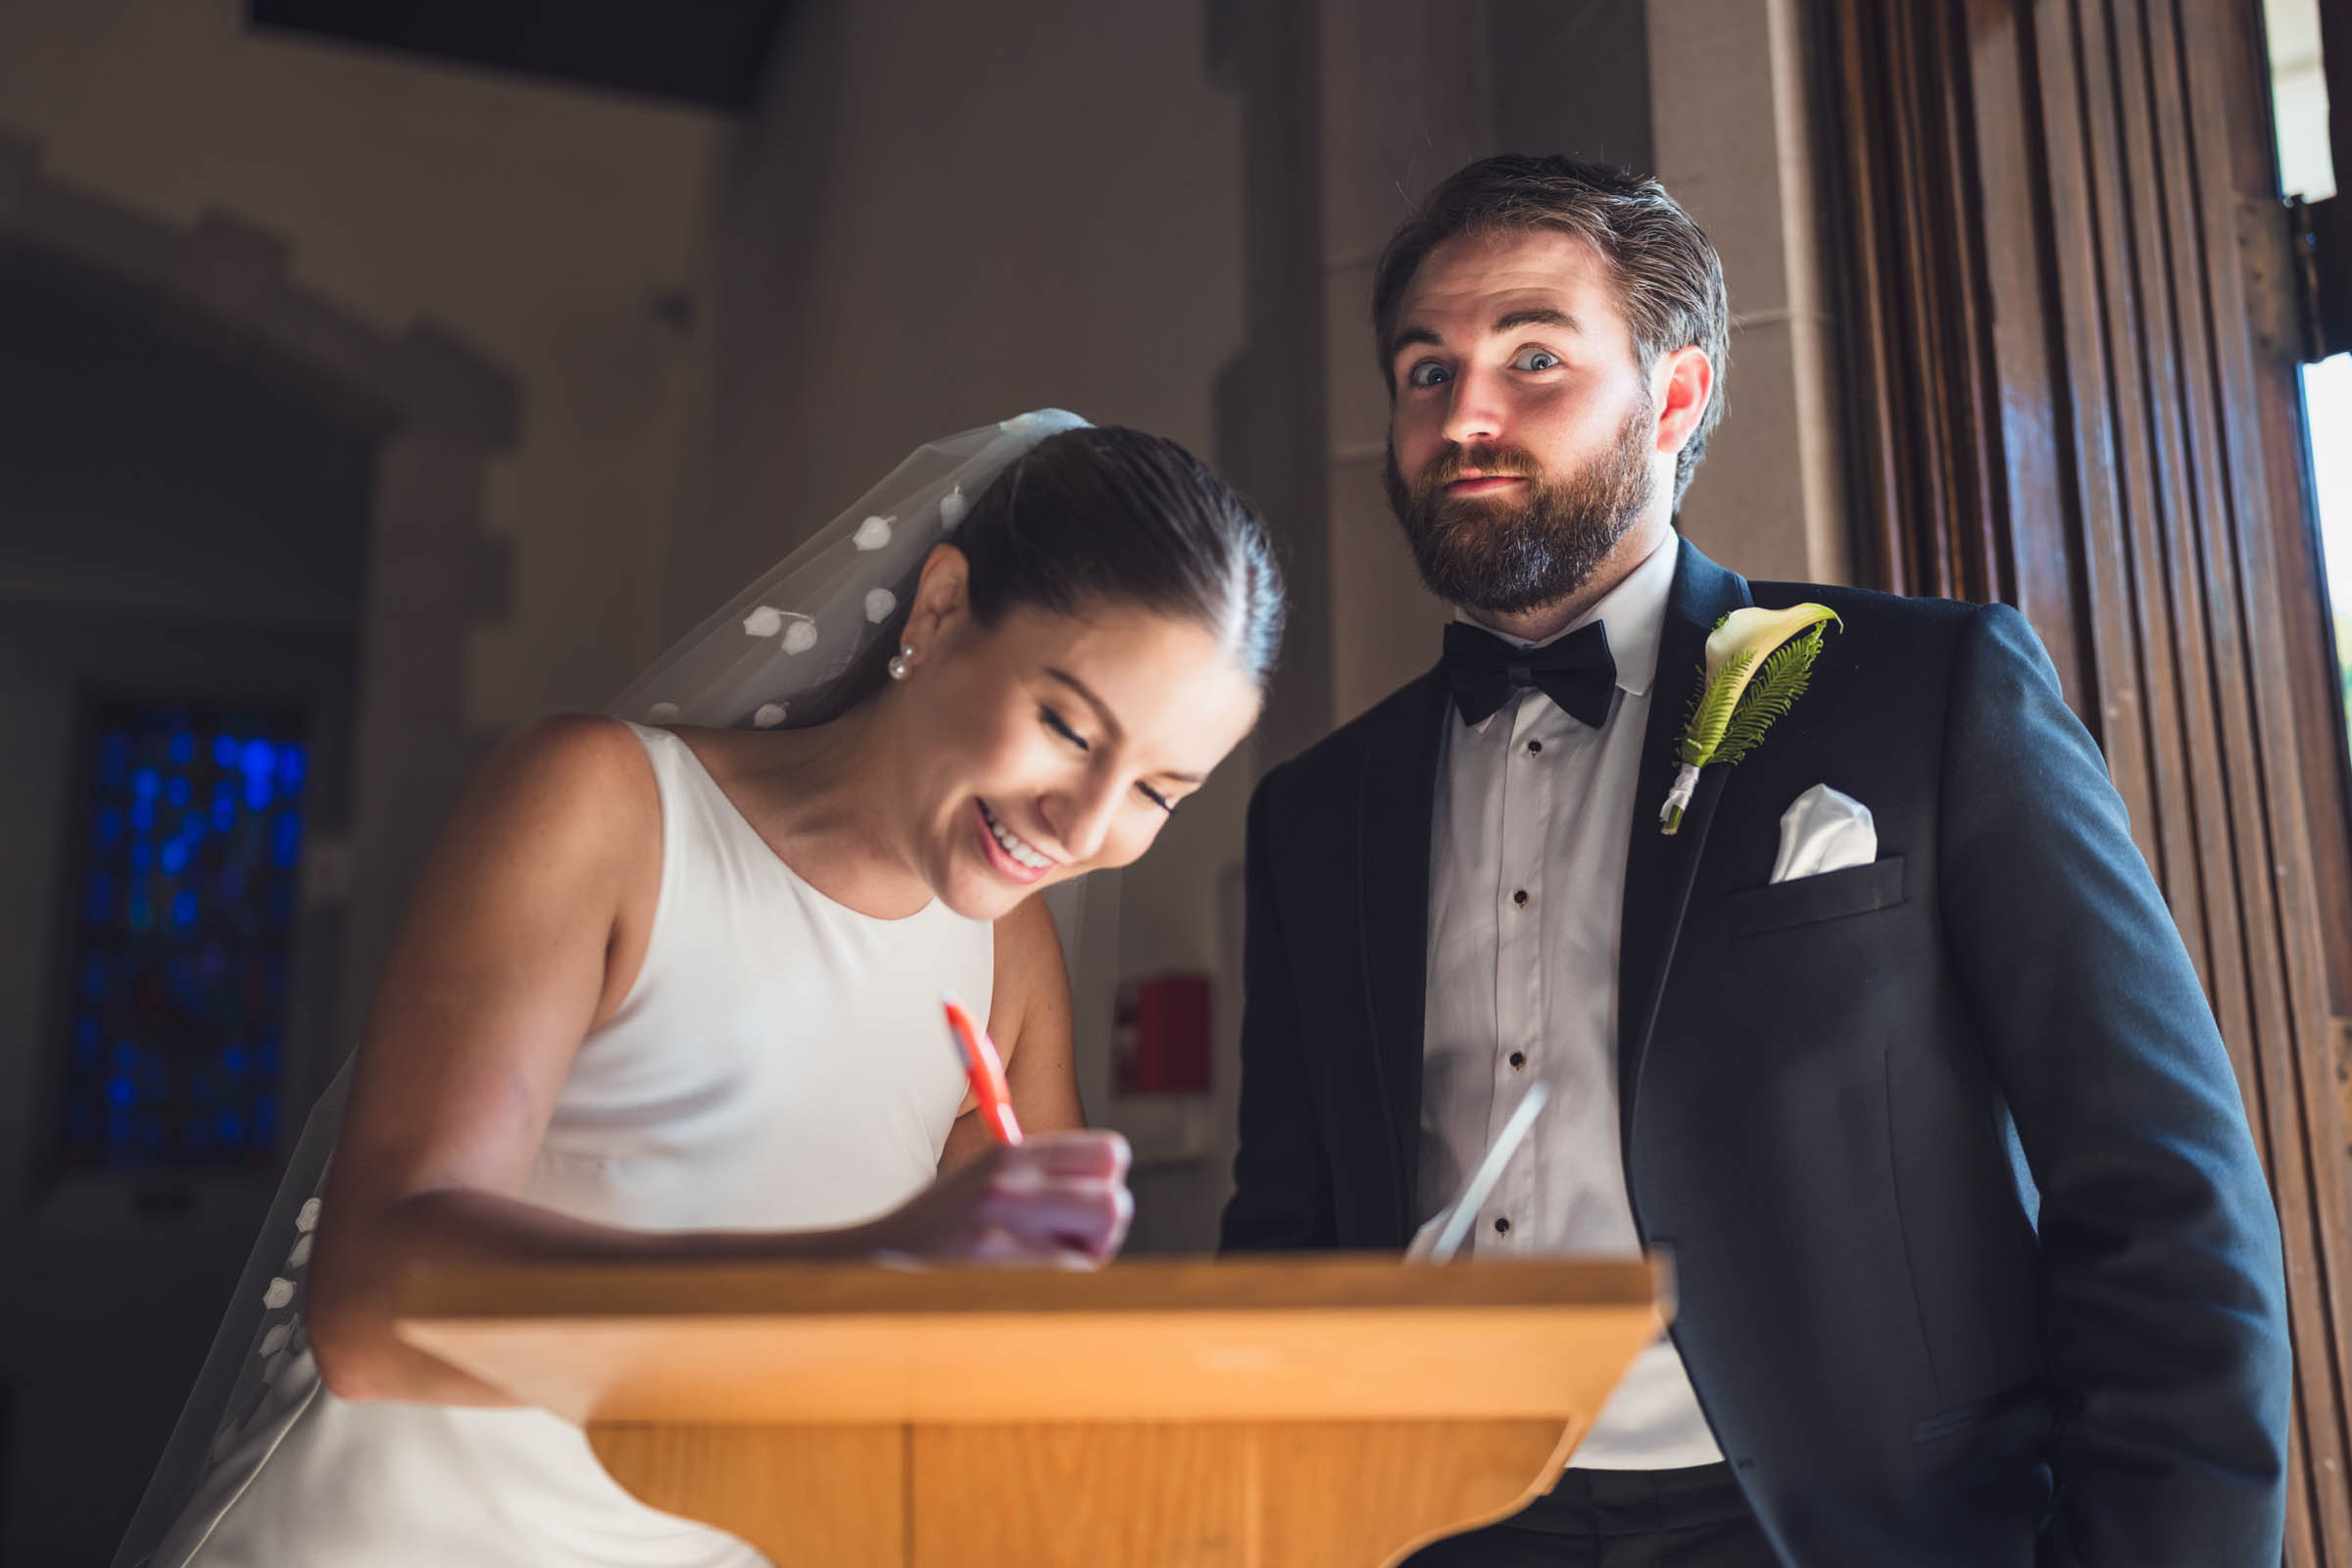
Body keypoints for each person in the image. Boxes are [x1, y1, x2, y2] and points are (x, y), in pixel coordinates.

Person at [1220, 155, 2289, 1567]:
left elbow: (2160, 1181)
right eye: (1427, 370)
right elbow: (1287, 1244)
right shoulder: (1317, 811)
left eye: (1533, 357)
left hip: (1845, 1526)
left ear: (1675, 397)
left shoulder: (1928, 691)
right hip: (1440, 1525)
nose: (1465, 413)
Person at [121, 414, 1283, 1567]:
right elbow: (373, 1309)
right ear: (937, 608)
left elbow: (1005, 1379)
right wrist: (854, 1272)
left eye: (1159, 792)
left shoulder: (1007, 958)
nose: (1084, 824)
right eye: (1066, 726)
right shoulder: (602, 809)